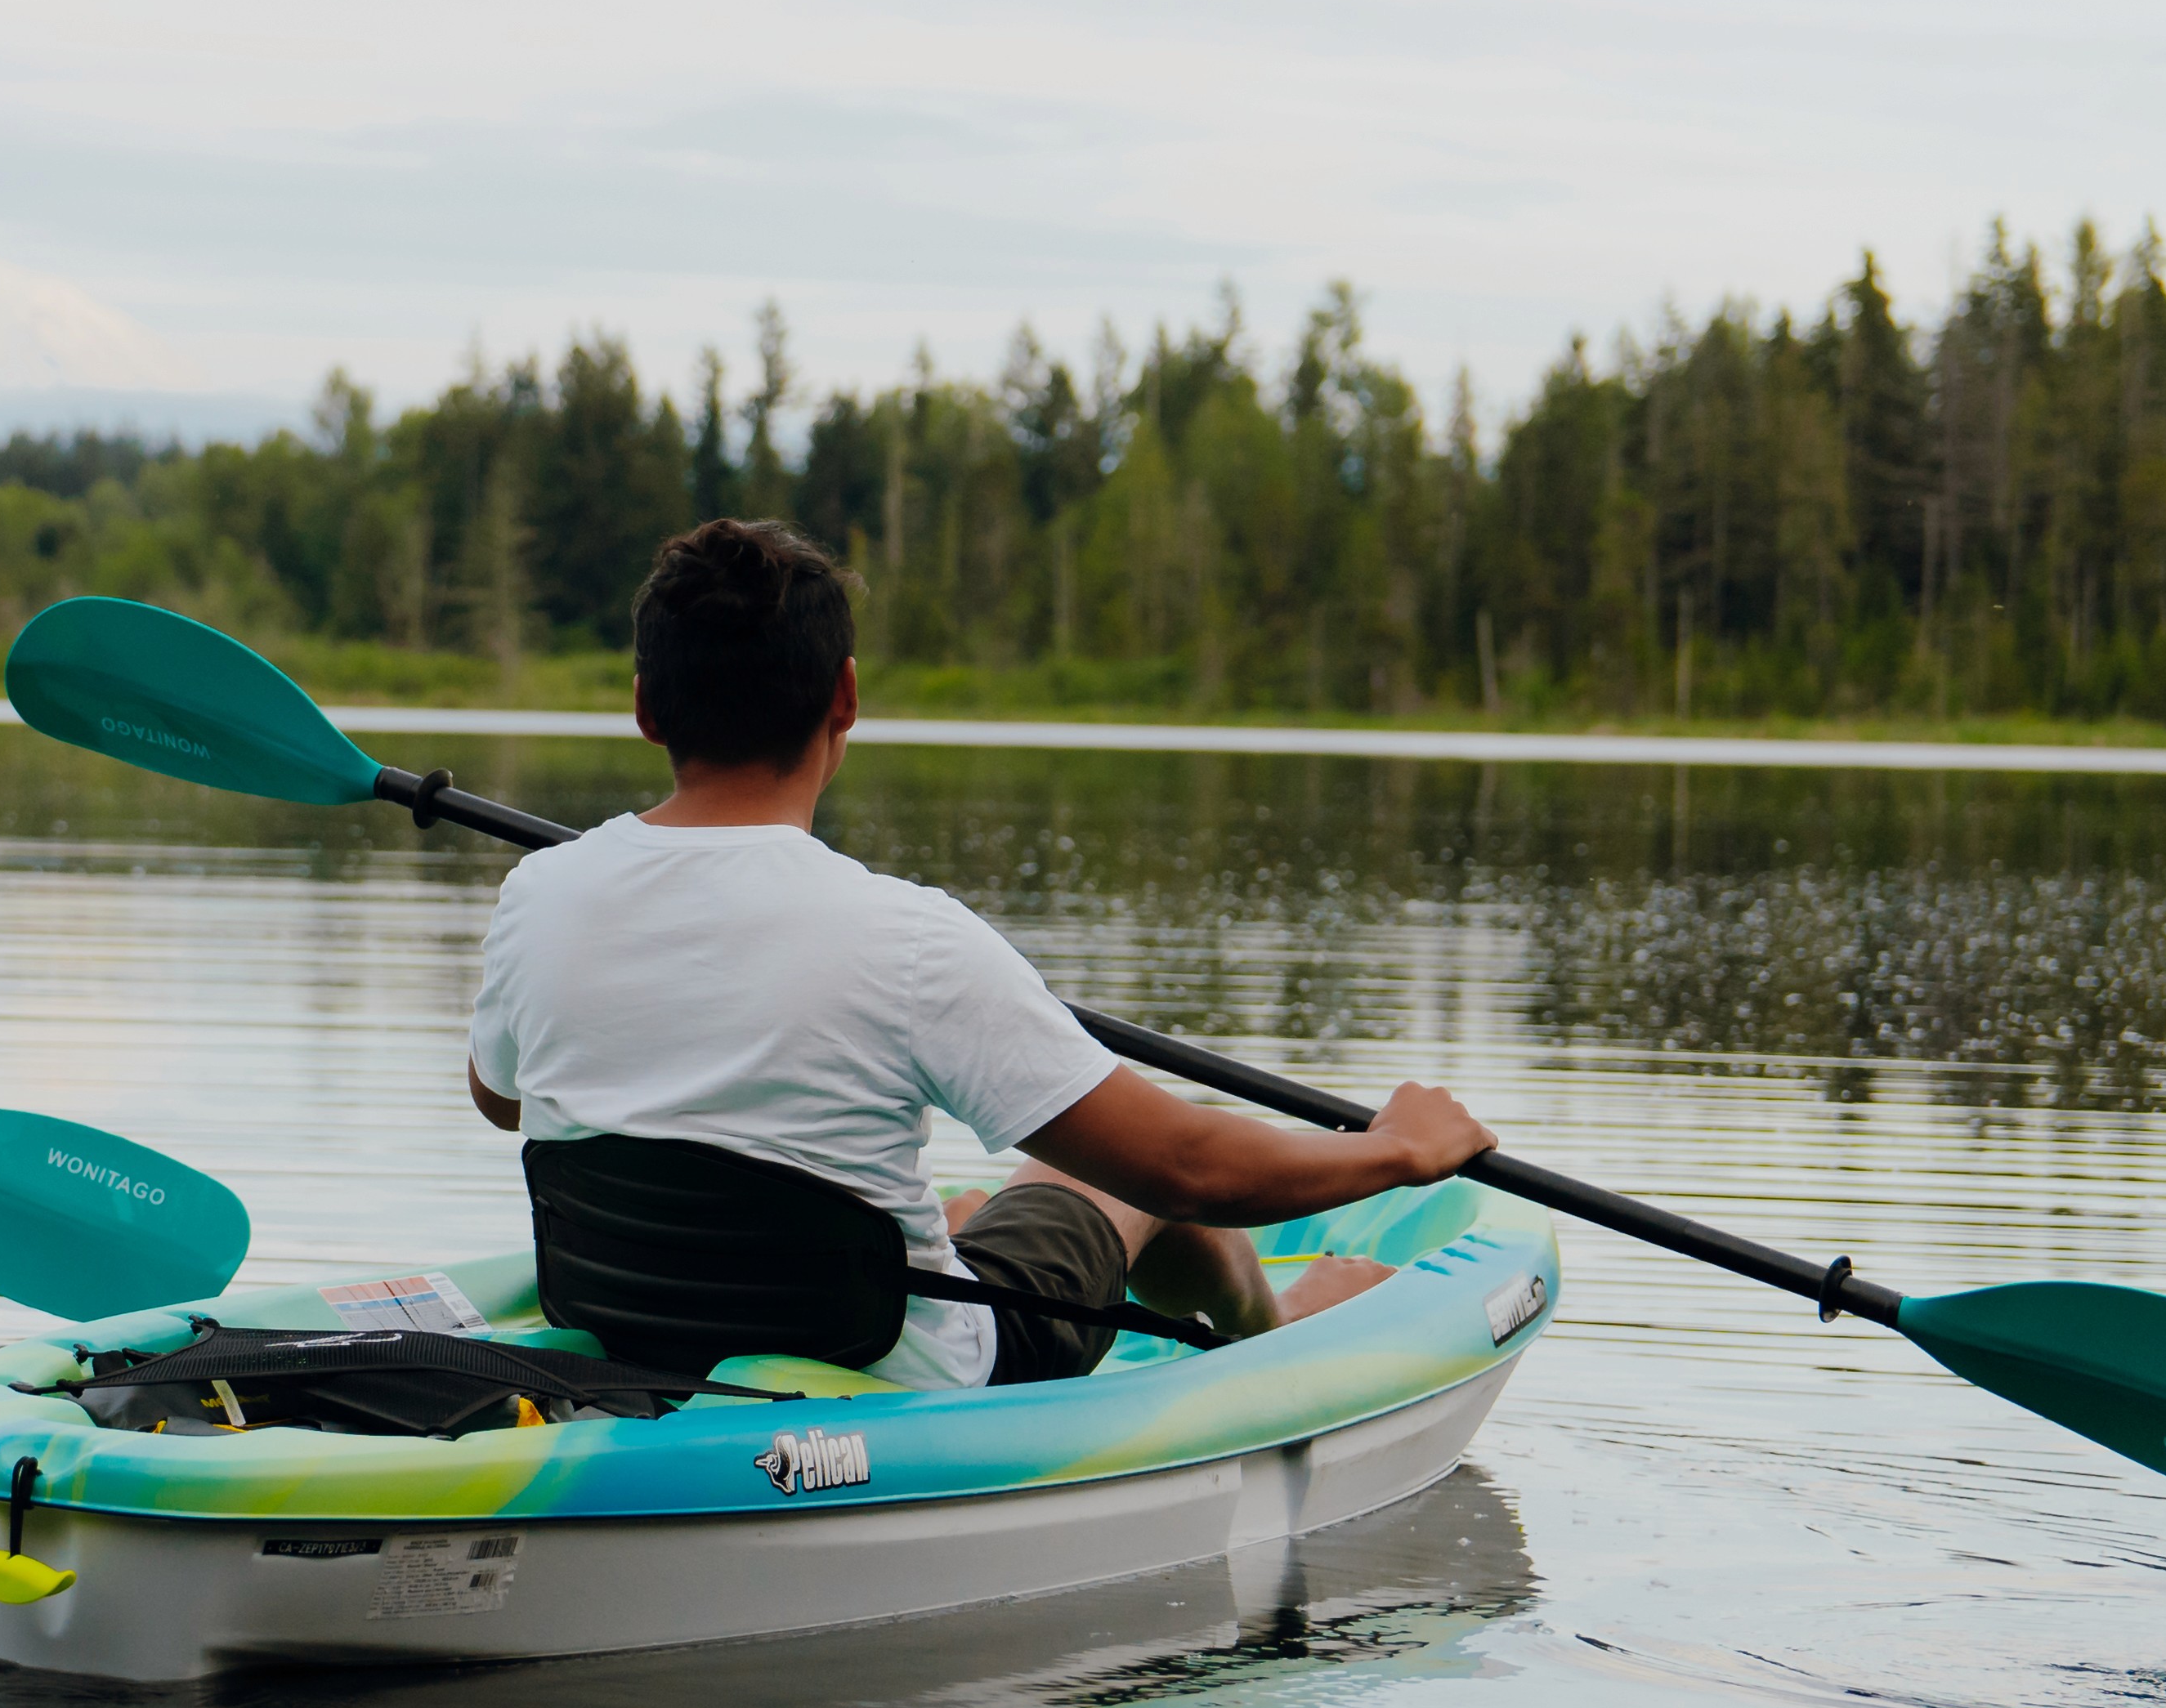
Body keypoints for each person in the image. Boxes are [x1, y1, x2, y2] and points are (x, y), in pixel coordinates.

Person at [464, 517, 1494, 1385]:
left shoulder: (538, 894)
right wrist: (1393, 1149)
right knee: (1117, 1177)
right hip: (904, 1371)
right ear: (846, 700)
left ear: (645, 706)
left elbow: (504, 1095)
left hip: (638, 1335)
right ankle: (1276, 1338)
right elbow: (1188, 1171)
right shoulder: (910, 939)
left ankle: (1023, 1247)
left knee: (995, 1201)